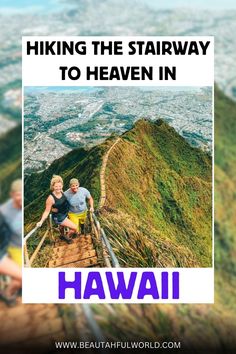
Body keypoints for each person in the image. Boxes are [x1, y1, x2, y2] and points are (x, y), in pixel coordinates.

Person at [37, 175, 77, 244]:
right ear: (52, 187)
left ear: (62, 185)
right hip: (59, 217)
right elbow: (46, 211)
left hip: (64, 214)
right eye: (56, 186)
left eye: (59, 186)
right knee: (74, 228)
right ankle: (66, 237)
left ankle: (62, 235)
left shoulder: (61, 191)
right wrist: (41, 221)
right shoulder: (50, 198)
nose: (58, 188)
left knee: (62, 227)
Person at [0, 179, 22, 266]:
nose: (21, 198)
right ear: (11, 195)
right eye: (18, 195)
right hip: (15, 248)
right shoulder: (3, 211)